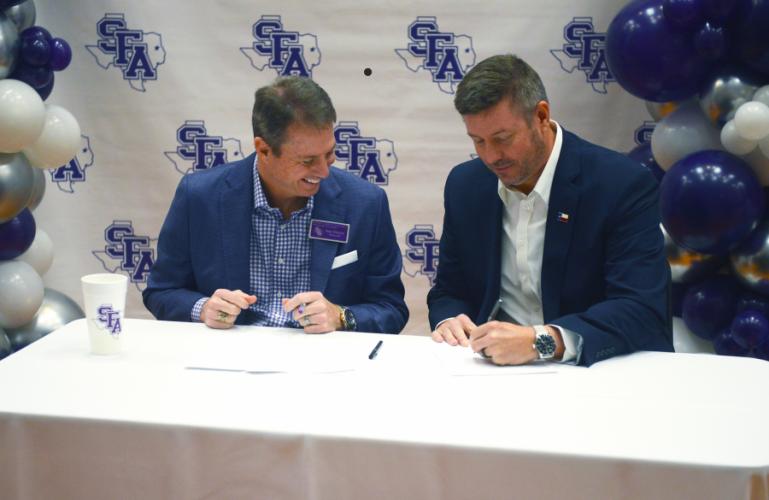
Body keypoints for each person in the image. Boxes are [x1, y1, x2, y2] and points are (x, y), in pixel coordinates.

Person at [427, 54, 672, 366]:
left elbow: (639, 308)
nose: (491, 156)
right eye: (478, 141)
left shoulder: (620, 184)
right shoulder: (466, 185)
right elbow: (449, 289)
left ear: (541, 116)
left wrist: (542, 341)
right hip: (492, 371)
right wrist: (450, 320)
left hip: (594, 369)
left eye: (503, 139)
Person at [143, 76, 408, 334]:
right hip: (228, 360)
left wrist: (341, 316)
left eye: (329, 154)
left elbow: (391, 308)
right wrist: (203, 309)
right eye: (307, 161)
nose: (323, 172)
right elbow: (161, 291)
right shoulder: (200, 197)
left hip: (323, 362)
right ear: (264, 150)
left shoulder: (364, 204)